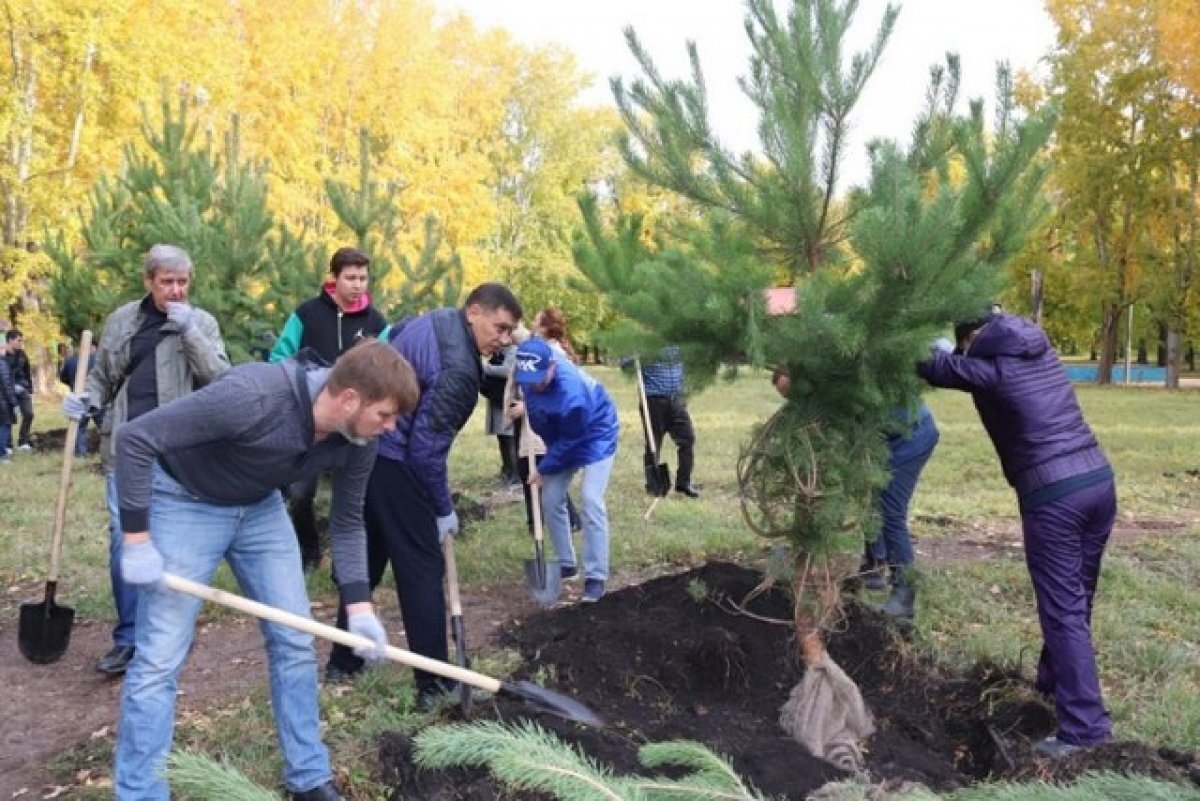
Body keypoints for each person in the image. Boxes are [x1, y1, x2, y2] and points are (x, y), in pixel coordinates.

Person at [79, 339, 416, 801]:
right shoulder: (255, 396)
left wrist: (359, 606)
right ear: (350, 399)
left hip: (258, 507)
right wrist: (136, 540)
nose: (391, 426)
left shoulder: (358, 440)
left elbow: (347, 518)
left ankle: (309, 777)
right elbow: (136, 439)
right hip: (185, 499)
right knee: (160, 656)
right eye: (386, 414)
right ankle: (139, 792)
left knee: (295, 639)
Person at [919, 310, 1116, 759]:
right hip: (1099, 481)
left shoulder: (986, 368)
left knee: (1062, 609)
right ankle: (1052, 687)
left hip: (1055, 496)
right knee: (1077, 598)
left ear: (969, 339)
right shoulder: (1036, 347)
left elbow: (927, 362)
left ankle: (1086, 729)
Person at [325, 283, 522, 706]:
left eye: (510, 333)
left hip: (368, 449)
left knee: (371, 555)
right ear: (474, 312)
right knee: (420, 570)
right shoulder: (459, 372)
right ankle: (433, 683)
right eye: (500, 328)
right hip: (399, 463)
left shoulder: (435, 321)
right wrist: (442, 507)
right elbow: (426, 450)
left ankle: (344, 660)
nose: (503, 339)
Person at [63, 244, 229, 678]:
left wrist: (190, 330)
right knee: (125, 544)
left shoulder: (203, 322)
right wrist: (85, 401)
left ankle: (170, 635)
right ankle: (129, 639)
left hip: (180, 457)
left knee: (172, 548)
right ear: (149, 281)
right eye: (167, 282)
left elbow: (220, 379)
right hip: (126, 453)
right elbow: (103, 378)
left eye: (182, 282)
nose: (176, 290)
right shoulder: (122, 321)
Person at [771, 367, 939, 621]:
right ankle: (873, 567)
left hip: (910, 437)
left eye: (793, 393)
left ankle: (904, 594)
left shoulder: (839, 388)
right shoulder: (826, 391)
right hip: (883, 439)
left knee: (890, 514)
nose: (794, 402)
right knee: (872, 502)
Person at [270, 246, 389, 571]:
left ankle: (346, 564)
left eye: (363, 278)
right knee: (300, 492)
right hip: (311, 421)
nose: (357, 284)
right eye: (350, 277)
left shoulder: (376, 323)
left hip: (356, 426)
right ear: (334, 279)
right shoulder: (307, 314)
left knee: (351, 498)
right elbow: (280, 358)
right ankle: (309, 553)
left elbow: (388, 368)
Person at [511, 337, 619, 603]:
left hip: (596, 433)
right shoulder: (528, 378)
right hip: (563, 437)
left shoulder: (573, 395)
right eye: (529, 379)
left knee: (591, 499)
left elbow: (573, 439)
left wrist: (544, 467)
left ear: (552, 366)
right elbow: (543, 420)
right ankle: (565, 563)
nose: (534, 384)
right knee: (550, 498)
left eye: (539, 377)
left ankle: (595, 576)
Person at [637, 346, 700, 497]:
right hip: (653, 402)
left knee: (687, 439)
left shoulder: (679, 346)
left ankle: (683, 482)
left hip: (677, 401)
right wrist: (635, 356)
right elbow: (625, 365)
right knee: (654, 443)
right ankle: (654, 486)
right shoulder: (646, 344)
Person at [482, 342, 521, 487]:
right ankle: (507, 469)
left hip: (507, 401)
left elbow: (508, 370)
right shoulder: (499, 352)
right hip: (497, 401)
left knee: (509, 438)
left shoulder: (513, 350)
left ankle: (515, 474)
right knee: (502, 437)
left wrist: (485, 368)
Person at [59, 342, 101, 457]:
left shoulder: (71, 361)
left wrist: (73, 385)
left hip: (78, 397)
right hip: (95, 397)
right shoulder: (97, 360)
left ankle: (80, 452)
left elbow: (63, 378)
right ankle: (107, 451)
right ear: (91, 347)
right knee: (103, 426)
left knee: (79, 427)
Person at [4, 330, 33, 451]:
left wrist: (30, 389)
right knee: (8, 417)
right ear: (10, 340)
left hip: (23, 389)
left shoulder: (22, 354)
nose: (21, 343)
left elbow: (27, 371)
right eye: (18, 340)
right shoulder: (3, 354)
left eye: (21, 340)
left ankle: (23, 441)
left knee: (29, 414)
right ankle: (8, 444)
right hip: (7, 391)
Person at [0, 336, 17, 463]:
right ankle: (2, 454)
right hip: (2, 401)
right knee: (5, 426)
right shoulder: (2, 363)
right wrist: (14, 402)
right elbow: (6, 383)